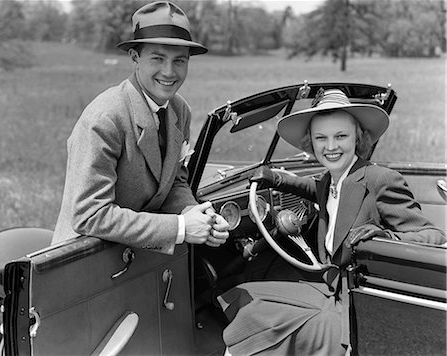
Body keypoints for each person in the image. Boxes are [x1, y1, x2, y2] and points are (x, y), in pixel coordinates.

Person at [218, 88, 445, 355]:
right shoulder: (332, 178)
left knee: (265, 323)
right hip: (330, 288)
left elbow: (433, 235)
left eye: (341, 136)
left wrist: (385, 240)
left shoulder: (380, 179)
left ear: (358, 138)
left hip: (356, 300)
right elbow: (317, 190)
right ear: (311, 143)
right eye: (321, 138)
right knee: (249, 300)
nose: (331, 147)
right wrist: (277, 178)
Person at [52, 1, 229, 253]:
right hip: (86, 263)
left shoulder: (179, 109)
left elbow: (174, 181)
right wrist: (180, 227)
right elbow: (89, 215)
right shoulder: (105, 118)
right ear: (135, 57)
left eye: (179, 61)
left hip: (140, 258)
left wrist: (197, 216)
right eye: (158, 58)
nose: (169, 72)